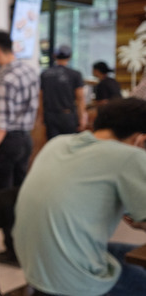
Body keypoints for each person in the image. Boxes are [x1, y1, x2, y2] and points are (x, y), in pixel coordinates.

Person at [13, 98, 146, 296]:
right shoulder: (129, 156)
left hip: (35, 269)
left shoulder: (57, 143)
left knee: (128, 252)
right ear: (139, 139)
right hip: (72, 283)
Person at [0, 30, 39, 266]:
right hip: (24, 139)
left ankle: (12, 252)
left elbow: (1, 125)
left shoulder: (5, 78)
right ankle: (25, 247)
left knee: (4, 198)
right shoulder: (28, 70)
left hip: (6, 143)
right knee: (20, 196)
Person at [38, 45, 85, 139]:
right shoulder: (75, 74)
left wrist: (41, 116)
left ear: (54, 56)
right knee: (69, 146)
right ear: (70, 57)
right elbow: (80, 98)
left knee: (53, 146)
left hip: (49, 115)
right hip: (67, 116)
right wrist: (82, 118)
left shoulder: (45, 74)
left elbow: (40, 97)